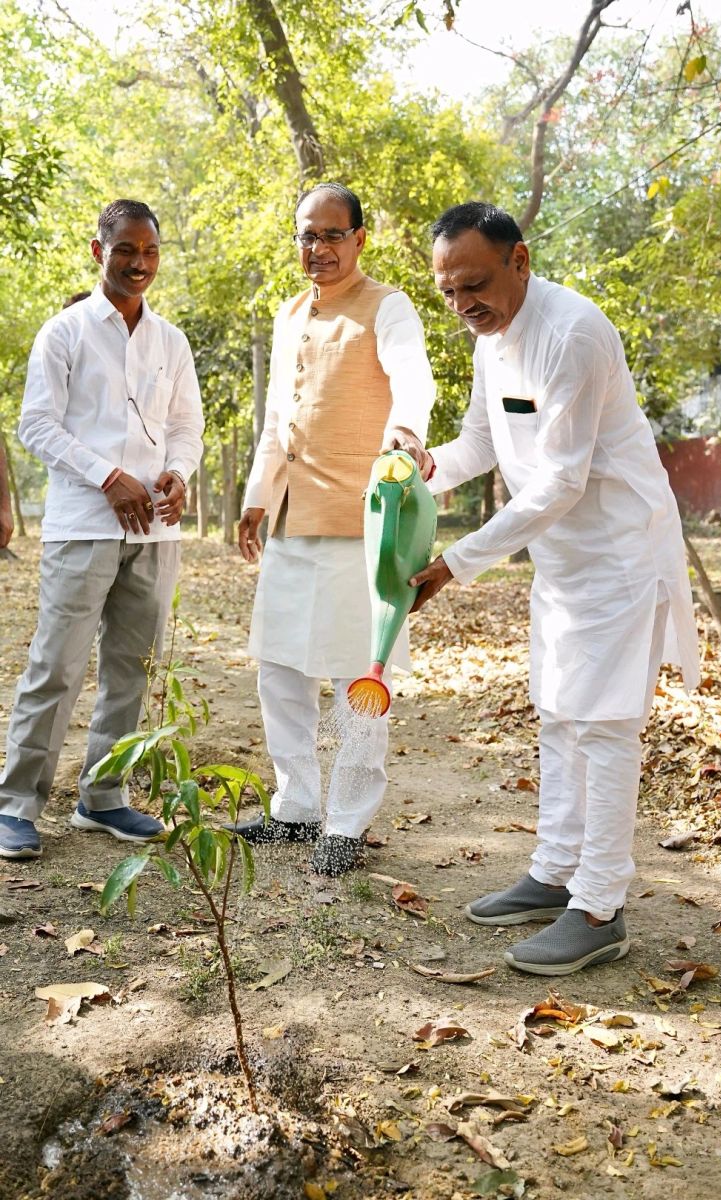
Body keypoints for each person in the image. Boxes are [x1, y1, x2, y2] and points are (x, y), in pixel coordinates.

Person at [409, 201, 699, 975]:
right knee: (558, 713)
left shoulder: (573, 333)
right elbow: (481, 440)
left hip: (618, 551)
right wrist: (421, 467)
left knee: (602, 725)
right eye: (447, 292)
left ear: (521, 261)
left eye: (474, 284)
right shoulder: (488, 337)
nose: (463, 303)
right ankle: (555, 870)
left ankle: (600, 906)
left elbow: (561, 481)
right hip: (562, 560)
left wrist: (453, 564)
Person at [232, 182, 435, 876]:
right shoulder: (289, 314)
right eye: (306, 236)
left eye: (330, 235)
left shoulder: (388, 307)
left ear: (359, 239)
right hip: (293, 519)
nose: (317, 249)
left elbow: (414, 378)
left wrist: (404, 436)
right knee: (281, 670)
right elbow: (275, 420)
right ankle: (296, 809)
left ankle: (347, 822)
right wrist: (257, 498)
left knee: (359, 676)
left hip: (362, 520)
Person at [0, 199, 204, 860]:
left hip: (155, 535)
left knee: (131, 670)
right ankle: (16, 805)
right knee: (55, 666)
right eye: (125, 251)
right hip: (83, 526)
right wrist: (106, 476)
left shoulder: (171, 341)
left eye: (149, 252)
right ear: (99, 252)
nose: (139, 264)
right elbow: (36, 424)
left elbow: (185, 428)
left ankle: (104, 797)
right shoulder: (63, 333)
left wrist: (178, 474)